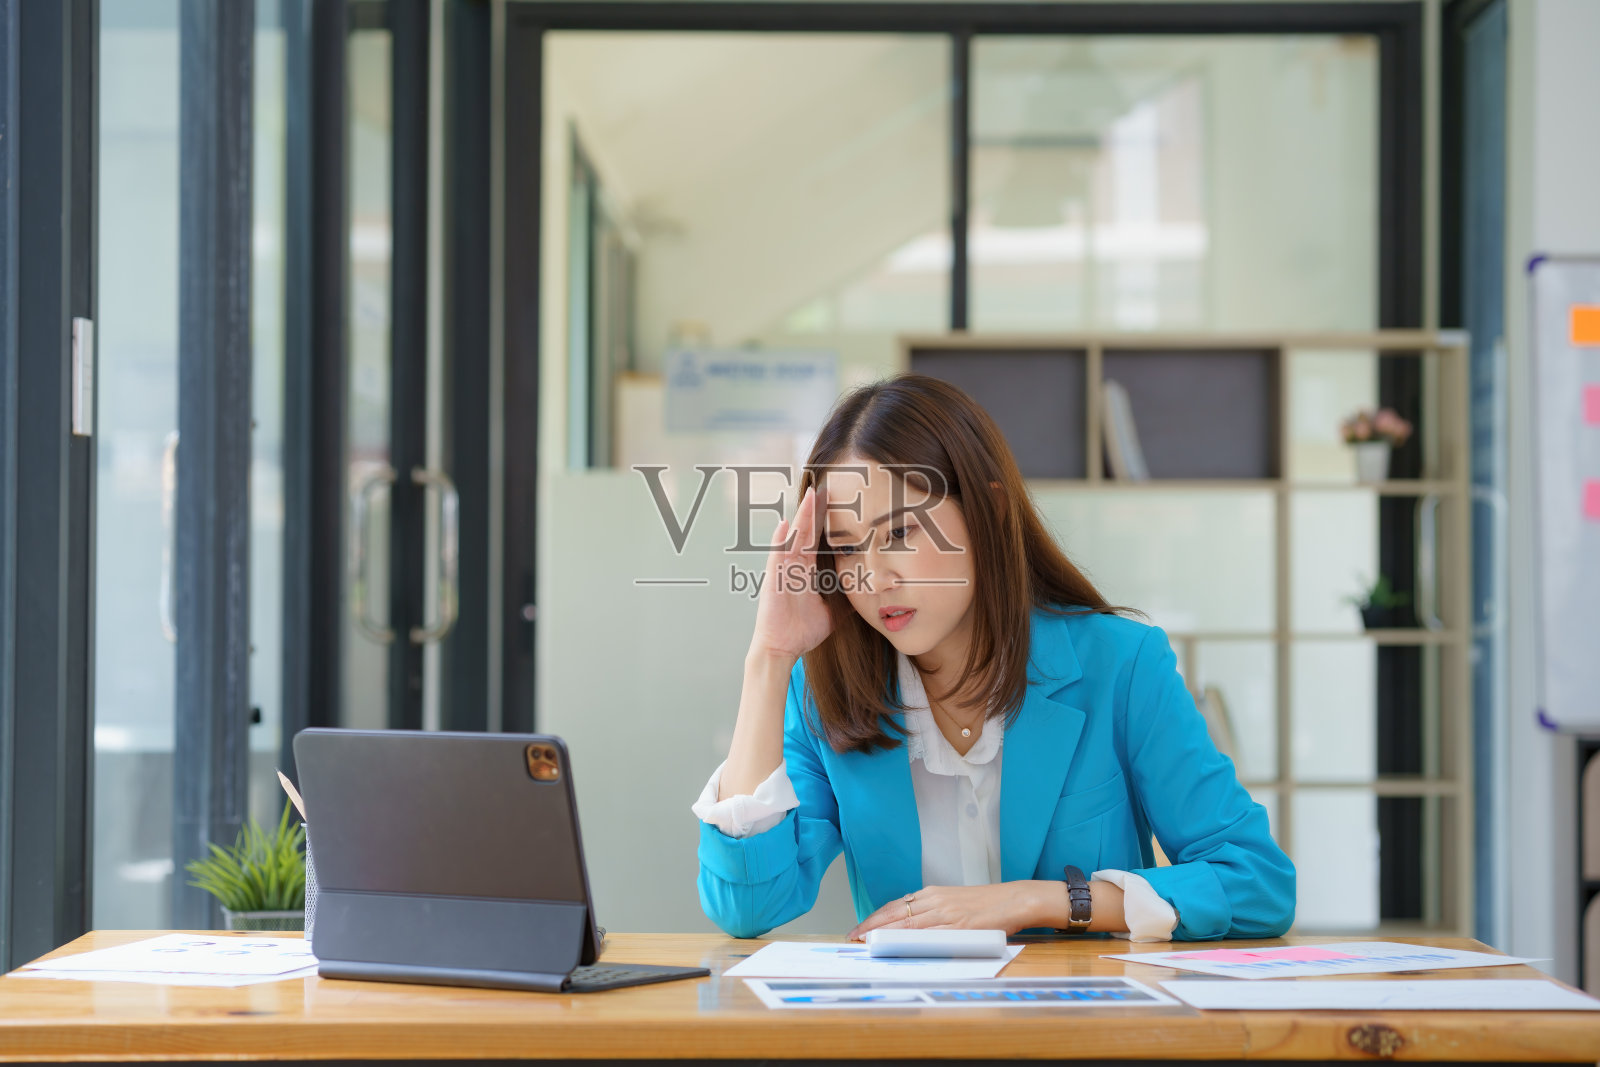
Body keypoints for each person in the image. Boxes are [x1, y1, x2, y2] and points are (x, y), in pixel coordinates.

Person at [693, 375, 1294, 941]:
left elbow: (1257, 883)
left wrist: (1041, 900)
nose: (872, 578)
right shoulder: (826, 692)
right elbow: (749, 907)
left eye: (900, 533)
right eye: (847, 548)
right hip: (908, 1035)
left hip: (1085, 1035)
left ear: (990, 513)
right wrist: (769, 659)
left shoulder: (1121, 664)